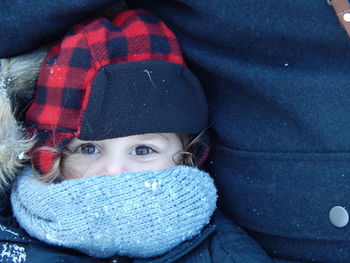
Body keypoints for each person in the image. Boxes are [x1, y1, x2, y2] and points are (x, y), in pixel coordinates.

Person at [1, 1, 350, 262]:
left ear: (186, 156)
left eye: (142, 150)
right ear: (48, 155)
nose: (114, 173)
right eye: (88, 149)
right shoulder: (15, 242)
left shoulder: (223, 252)